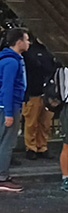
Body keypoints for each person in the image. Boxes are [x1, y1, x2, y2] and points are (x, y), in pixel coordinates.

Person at [0, 28, 30, 193]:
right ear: (18, 42)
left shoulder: (8, 59)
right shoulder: (12, 62)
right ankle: (2, 177)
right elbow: (8, 88)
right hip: (9, 106)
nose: (28, 43)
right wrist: (9, 112)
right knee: (7, 142)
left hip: (6, 105)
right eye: (26, 39)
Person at [21, 36, 55, 160]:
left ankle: (42, 146)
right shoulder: (29, 51)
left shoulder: (49, 50)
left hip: (47, 92)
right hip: (32, 91)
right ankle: (30, 147)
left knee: (45, 122)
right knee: (31, 121)